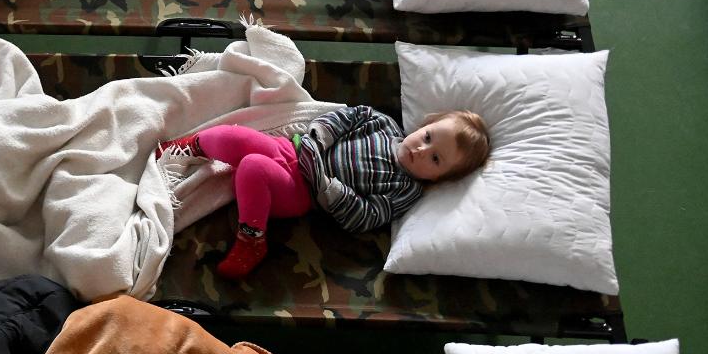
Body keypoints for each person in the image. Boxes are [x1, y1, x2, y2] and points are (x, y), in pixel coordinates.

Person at [155, 106, 491, 279]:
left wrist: (327, 185)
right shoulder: (380, 123)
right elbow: (339, 120)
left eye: (435, 159)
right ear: (424, 125)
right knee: (233, 136)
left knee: (253, 168)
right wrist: (318, 140)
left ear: (439, 177)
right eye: (429, 136)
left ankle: (252, 239)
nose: (421, 149)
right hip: (292, 148)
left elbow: (363, 216)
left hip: (303, 192)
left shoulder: (405, 190)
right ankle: (185, 149)